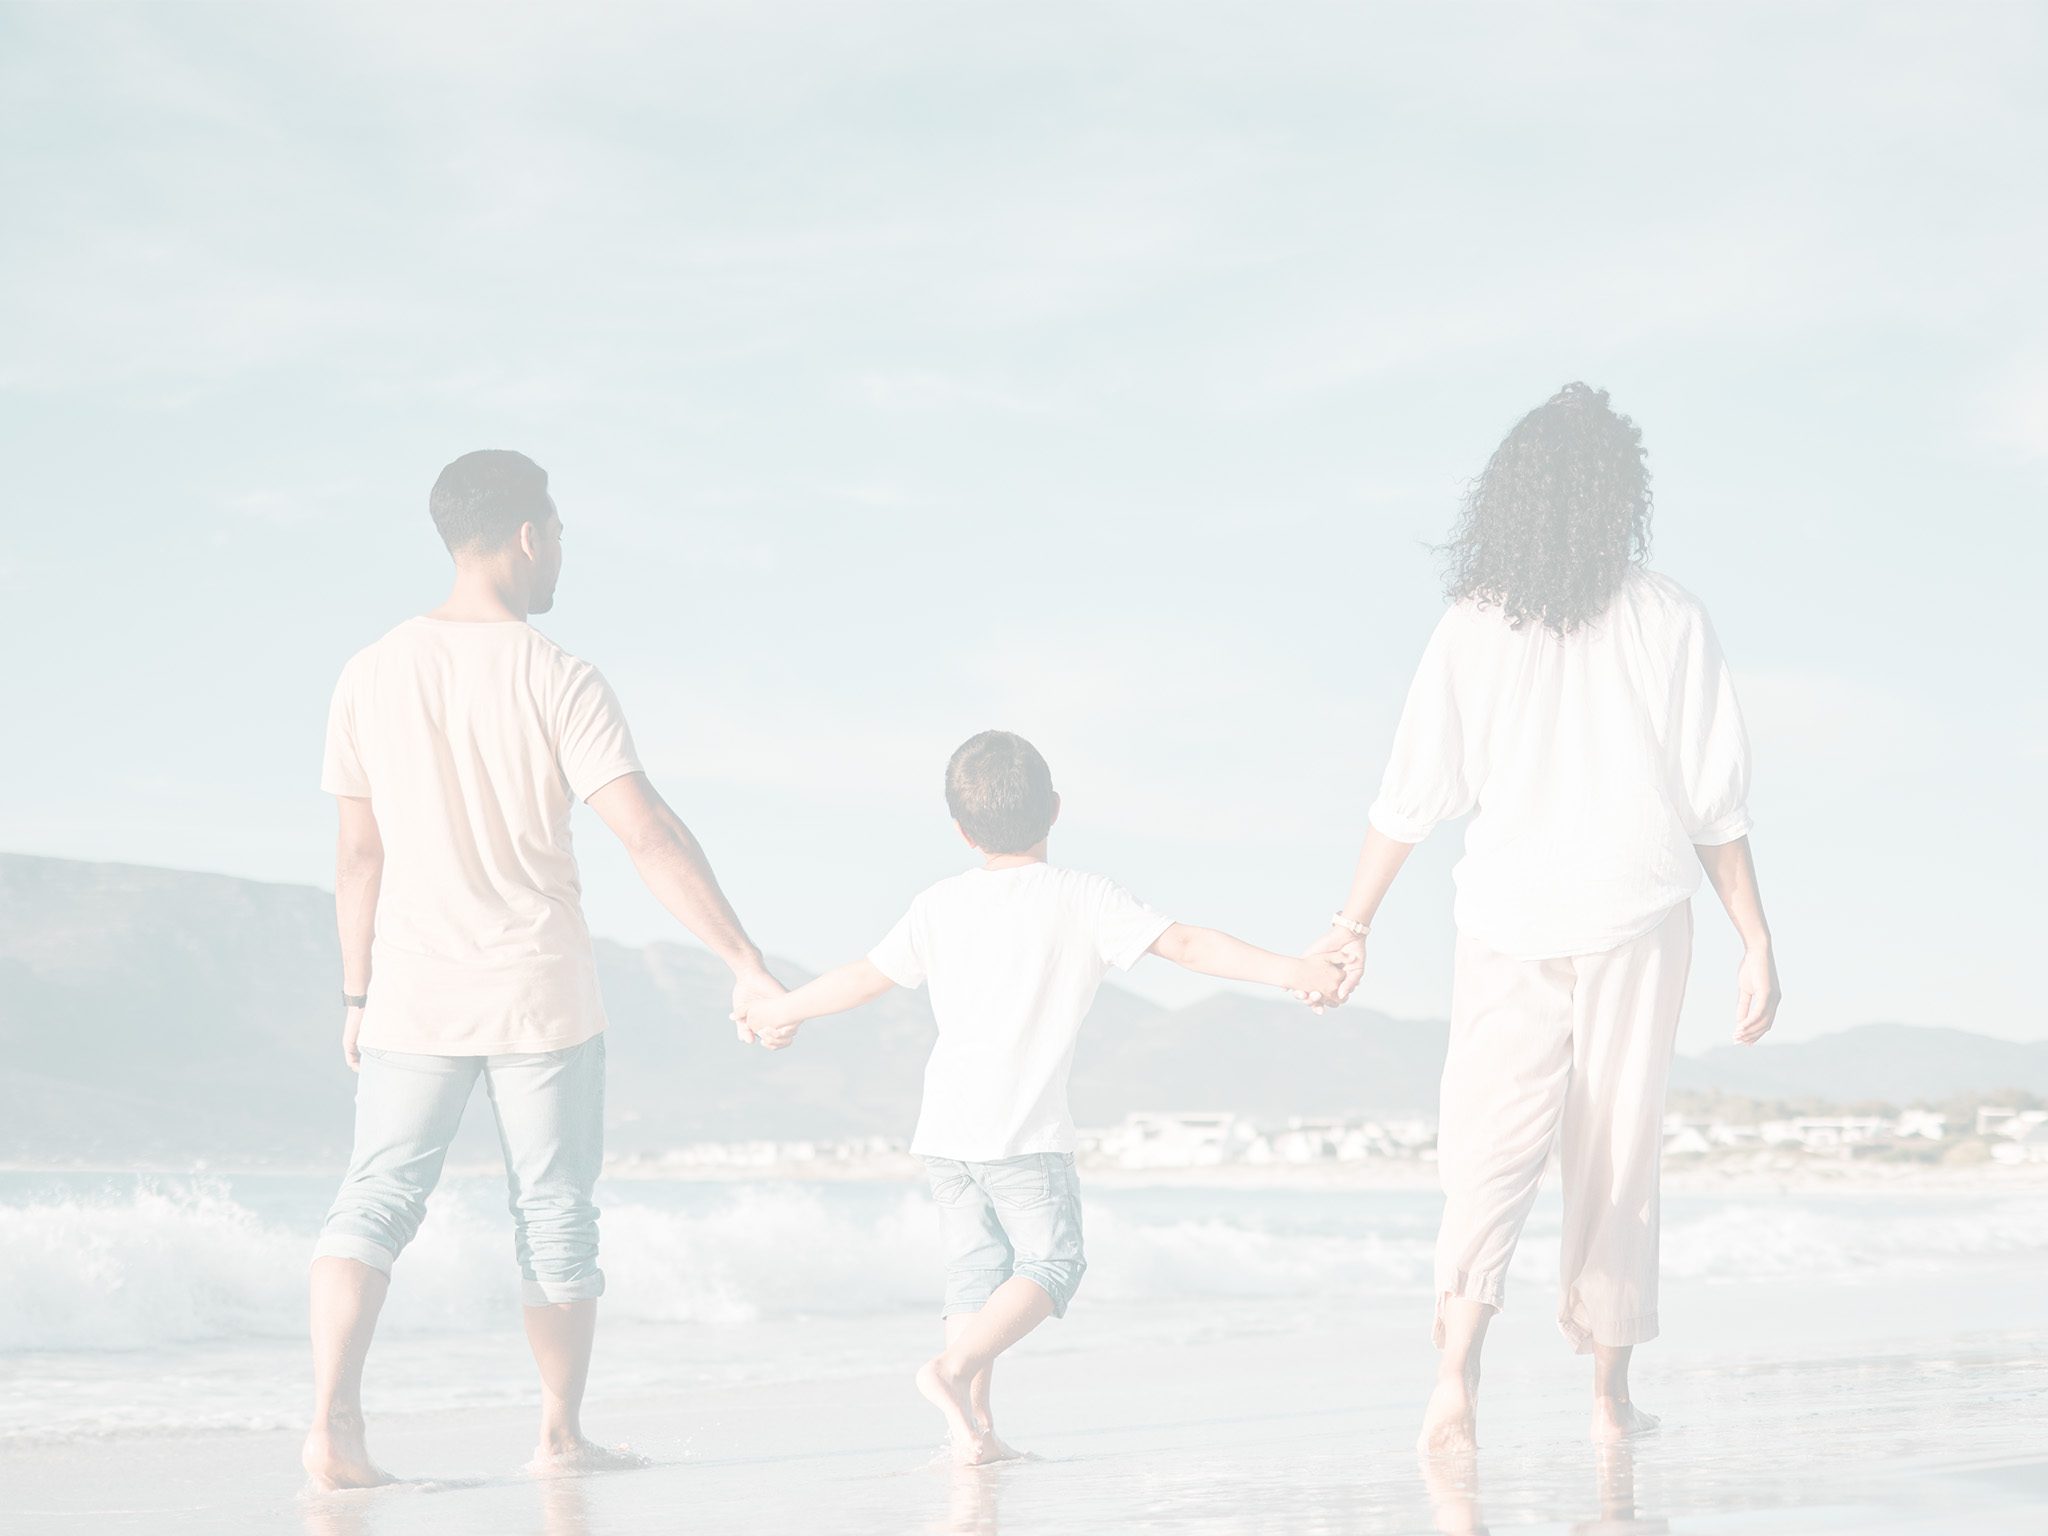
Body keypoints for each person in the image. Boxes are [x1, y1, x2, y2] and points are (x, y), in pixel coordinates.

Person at [1303, 384, 1782, 1452]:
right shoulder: (1666, 614)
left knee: (1486, 1150)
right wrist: (1753, 938)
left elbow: (1409, 794)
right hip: (1637, 910)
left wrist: (1351, 922)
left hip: (1508, 918)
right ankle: (1608, 1402)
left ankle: (1452, 1383)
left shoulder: (1471, 622)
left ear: (1510, 496)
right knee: (1613, 1157)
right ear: (1620, 494)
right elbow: (1713, 803)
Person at [303, 449, 785, 1489]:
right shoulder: (558, 674)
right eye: (558, 531)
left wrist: (355, 992)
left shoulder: (368, 671)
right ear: (528, 535)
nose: (561, 550)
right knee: (554, 1211)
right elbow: (646, 833)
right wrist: (743, 960)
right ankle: (559, 1437)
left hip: (412, 990)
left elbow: (357, 857)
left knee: (373, 1200)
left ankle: (332, 1429)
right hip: (538, 991)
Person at [735, 730, 1347, 1465]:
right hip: (1024, 1132)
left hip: (947, 1132)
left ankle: (972, 1432)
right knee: (1054, 1265)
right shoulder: (1083, 897)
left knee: (976, 1277)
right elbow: (1186, 946)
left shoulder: (937, 904)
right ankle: (951, 1373)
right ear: (1055, 809)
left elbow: (864, 977)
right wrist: (1295, 971)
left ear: (960, 829)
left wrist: (780, 1010)